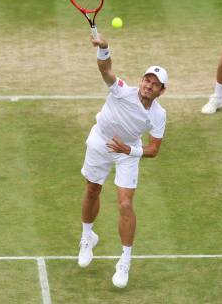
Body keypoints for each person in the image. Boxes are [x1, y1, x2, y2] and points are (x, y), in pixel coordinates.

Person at [77, 33, 167, 289]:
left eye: (155, 84)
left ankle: (124, 261)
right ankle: (87, 237)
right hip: (100, 141)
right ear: (141, 81)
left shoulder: (159, 115)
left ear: (161, 91)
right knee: (92, 190)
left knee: (125, 204)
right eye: (147, 80)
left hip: (128, 152)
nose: (149, 85)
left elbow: (154, 149)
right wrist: (104, 47)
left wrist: (129, 150)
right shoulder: (121, 91)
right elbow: (106, 69)